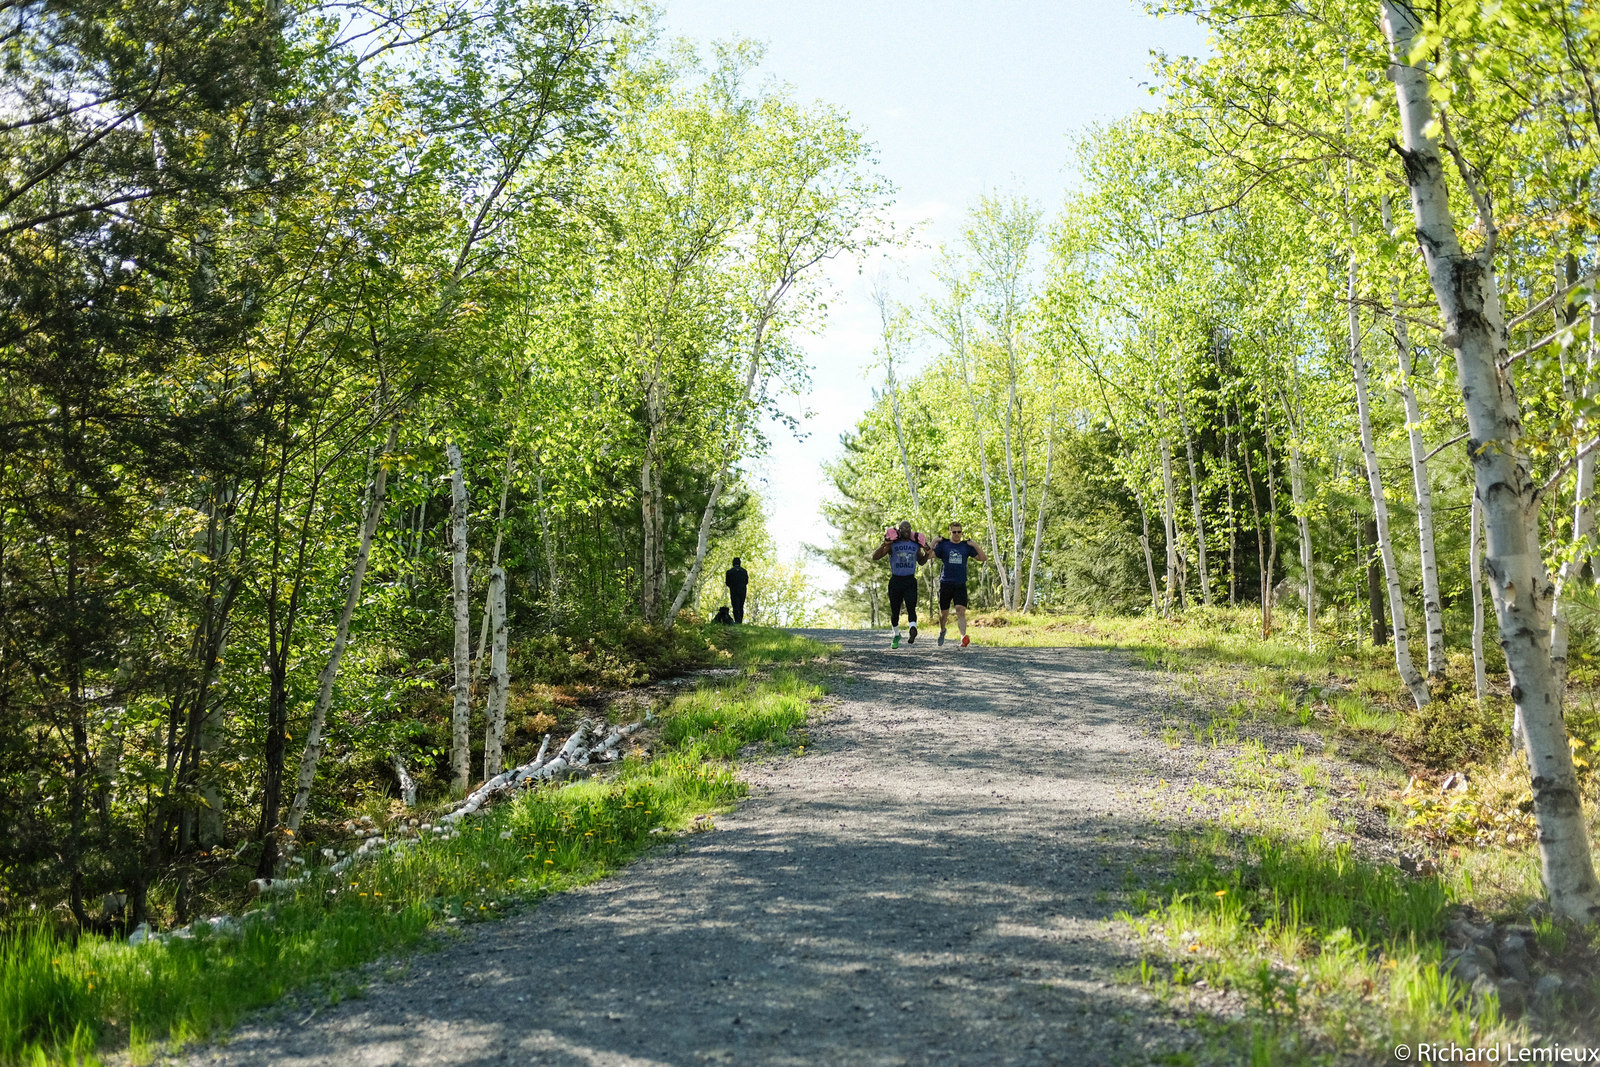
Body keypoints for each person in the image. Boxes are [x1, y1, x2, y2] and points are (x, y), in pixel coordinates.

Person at [870, 520, 928, 648]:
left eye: (908, 528)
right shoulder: (893, 544)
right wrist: (884, 545)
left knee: (911, 606)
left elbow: (921, 561)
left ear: (911, 530)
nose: (906, 531)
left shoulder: (915, 544)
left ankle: (913, 629)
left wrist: (927, 553)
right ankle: (896, 634)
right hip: (896, 580)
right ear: (899, 530)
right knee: (895, 611)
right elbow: (875, 557)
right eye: (903, 528)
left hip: (910, 580)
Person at [933, 522, 986, 647]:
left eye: (959, 532)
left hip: (960, 583)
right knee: (944, 613)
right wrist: (934, 542)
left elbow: (983, 558)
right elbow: (929, 555)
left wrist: (975, 545)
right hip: (946, 583)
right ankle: (942, 630)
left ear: (962, 533)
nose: (957, 534)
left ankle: (963, 637)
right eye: (954, 532)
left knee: (960, 610)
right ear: (950, 533)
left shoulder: (966, 546)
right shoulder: (944, 545)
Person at [724, 558, 749, 624]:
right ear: (740, 563)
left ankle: (737, 621)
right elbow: (746, 581)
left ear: (733, 563)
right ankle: (740, 621)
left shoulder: (729, 572)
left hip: (734, 590)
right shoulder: (744, 571)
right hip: (742, 590)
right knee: (741, 605)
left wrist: (732, 586)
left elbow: (727, 582)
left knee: (735, 605)